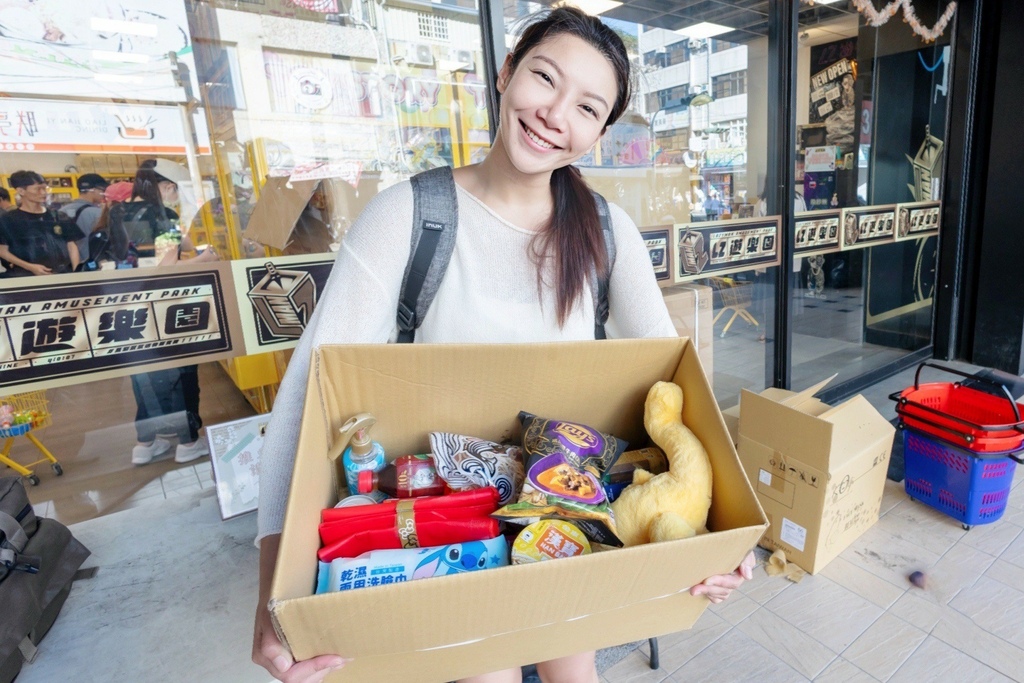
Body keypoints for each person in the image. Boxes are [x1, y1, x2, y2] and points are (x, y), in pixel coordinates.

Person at [252, 8, 756, 683]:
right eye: (545, 77)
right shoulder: (409, 219)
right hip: (450, 530)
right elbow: (303, 402)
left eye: (586, 107)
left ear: (599, 134)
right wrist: (272, 591)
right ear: (505, 73)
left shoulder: (607, 234)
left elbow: (678, 386)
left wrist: (722, 531)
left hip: (569, 517)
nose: (555, 113)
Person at [118, 160, 218, 466]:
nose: (176, 197)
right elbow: (166, 267)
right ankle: (188, 442)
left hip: (131, 310)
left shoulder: (119, 212)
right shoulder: (162, 214)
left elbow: (149, 252)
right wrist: (205, 258)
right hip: (165, 307)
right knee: (180, 372)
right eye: (176, 190)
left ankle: (146, 443)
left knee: (144, 376)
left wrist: (186, 241)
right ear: (166, 186)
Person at [0, 170, 83, 277]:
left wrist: (76, 272)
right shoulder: (8, 219)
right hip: (26, 276)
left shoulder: (58, 216)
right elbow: (2, 250)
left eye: (45, 188)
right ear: (21, 191)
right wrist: (29, 267)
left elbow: (71, 245)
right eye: (38, 189)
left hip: (63, 275)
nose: (43, 193)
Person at [59, 173, 108, 262]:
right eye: (102, 190)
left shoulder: (62, 211)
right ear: (92, 190)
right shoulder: (98, 213)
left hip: (69, 263)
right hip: (93, 262)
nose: (104, 194)